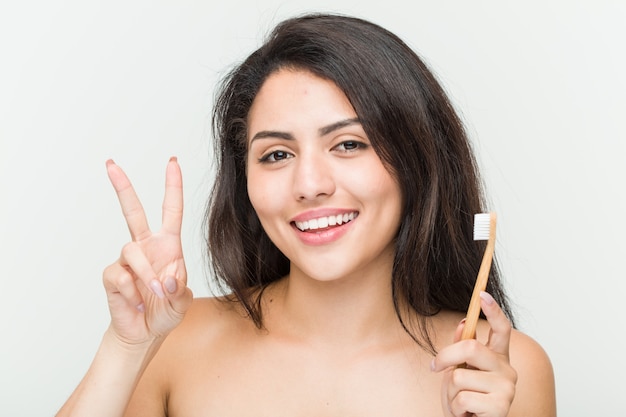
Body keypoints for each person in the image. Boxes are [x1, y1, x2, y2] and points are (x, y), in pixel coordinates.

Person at [57, 13, 556, 417]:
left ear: (415, 163)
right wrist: (125, 349)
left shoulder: (502, 369)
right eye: (276, 154)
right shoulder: (176, 343)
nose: (310, 185)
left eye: (348, 144)